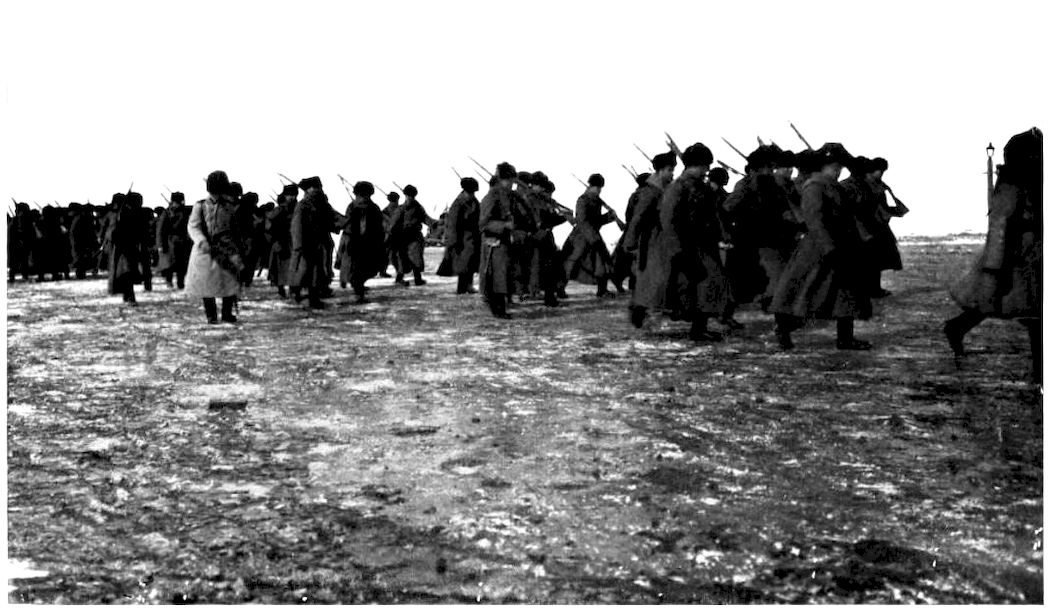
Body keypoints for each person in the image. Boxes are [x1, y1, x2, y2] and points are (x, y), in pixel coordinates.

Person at [945, 127, 1042, 380]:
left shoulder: (1035, 180)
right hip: (1020, 257)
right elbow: (1000, 224)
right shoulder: (1011, 183)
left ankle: (957, 327)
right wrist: (995, 267)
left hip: (1034, 252)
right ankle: (1041, 374)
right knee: (1032, 313)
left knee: (1017, 307)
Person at [769, 143, 872, 350]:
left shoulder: (834, 186)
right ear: (823, 166)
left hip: (841, 246)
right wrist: (828, 248)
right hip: (818, 250)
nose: (838, 171)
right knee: (804, 294)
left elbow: (849, 217)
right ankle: (784, 330)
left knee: (845, 295)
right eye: (834, 167)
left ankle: (845, 338)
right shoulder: (814, 186)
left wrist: (863, 238)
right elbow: (814, 220)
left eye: (839, 167)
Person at [624, 151, 678, 328]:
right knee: (651, 280)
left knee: (654, 280)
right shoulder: (650, 192)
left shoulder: (662, 190)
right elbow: (637, 218)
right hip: (651, 241)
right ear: (660, 171)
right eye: (669, 170)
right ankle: (639, 313)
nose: (672, 174)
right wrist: (630, 242)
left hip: (661, 241)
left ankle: (642, 312)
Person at [184, 171, 242, 323]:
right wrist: (201, 241)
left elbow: (235, 229)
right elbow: (193, 226)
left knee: (229, 281)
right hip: (205, 250)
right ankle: (211, 315)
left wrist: (236, 248)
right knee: (206, 283)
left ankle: (227, 314)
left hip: (226, 249)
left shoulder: (229, 206)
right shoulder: (200, 206)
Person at [562, 173, 622, 297]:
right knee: (572, 262)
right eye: (597, 187)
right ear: (591, 186)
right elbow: (582, 221)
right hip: (581, 236)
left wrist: (609, 217)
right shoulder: (583, 200)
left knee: (602, 261)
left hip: (593, 234)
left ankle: (602, 290)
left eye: (600, 188)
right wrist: (593, 238)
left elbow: (596, 221)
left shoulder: (596, 201)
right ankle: (559, 288)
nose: (599, 190)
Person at [289, 176, 342, 309]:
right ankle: (297, 294)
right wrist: (299, 245)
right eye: (315, 188)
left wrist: (343, 222)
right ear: (308, 190)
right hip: (306, 244)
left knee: (317, 273)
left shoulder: (323, 204)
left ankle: (314, 298)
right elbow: (297, 226)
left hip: (320, 243)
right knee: (305, 272)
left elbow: (333, 217)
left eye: (319, 187)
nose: (318, 190)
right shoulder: (303, 205)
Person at [479, 162, 519, 318]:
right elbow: (483, 224)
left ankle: (500, 309)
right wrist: (504, 225)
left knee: (502, 277)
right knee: (496, 278)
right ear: (504, 179)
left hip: (503, 242)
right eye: (511, 181)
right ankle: (498, 310)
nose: (512, 185)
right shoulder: (492, 197)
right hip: (493, 243)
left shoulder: (505, 195)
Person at [337, 181, 387, 303]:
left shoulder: (366, 207)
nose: (363, 198)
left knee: (364, 269)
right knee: (358, 270)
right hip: (359, 244)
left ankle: (358, 288)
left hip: (364, 243)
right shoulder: (359, 207)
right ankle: (358, 292)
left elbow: (378, 227)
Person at [437, 177, 481, 294]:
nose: (472, 195)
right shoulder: (458, 204)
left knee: (471, 263)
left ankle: (469, 285)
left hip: (472, 238)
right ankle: (461, 289)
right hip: (461, 240)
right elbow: (452, 224)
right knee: (463, 265)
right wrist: (453, 241)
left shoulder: (474, 202)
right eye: (470, 192)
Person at [611, 172, 651, 293]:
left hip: (631, 230)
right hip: (640, 231)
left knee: (626, 258)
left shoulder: (634, 195)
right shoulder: (645, 195)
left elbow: (628, 214)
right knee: (636, 257)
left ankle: (624, 282)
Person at [388, 185, 436, 286]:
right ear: (405, 195)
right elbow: (393, 223)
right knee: (402, 258)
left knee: (416, 257)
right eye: (409, 195)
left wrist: (434, 224)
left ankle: (418, 278)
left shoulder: (418, 208)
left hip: (415, 236)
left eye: (412, 196)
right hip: (402, 236)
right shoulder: (401, 209)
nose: (410, 198)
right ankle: (399, 278)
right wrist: (392, 234)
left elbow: (425, 218)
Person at [106, 192, 148, 305]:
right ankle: (128, 296)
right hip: (121, 249)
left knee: (126, 273)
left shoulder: (126, 214)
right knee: (125, 273)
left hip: (126, 249)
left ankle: (128, 296)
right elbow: (111, 233)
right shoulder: (118, 215)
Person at [266, 184, 298, 298]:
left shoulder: (298, 208)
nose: (292, 197)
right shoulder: (279, 210)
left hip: (293, 242)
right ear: (285, 196)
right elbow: (269, 226)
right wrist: (274, 241)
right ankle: (281, 289)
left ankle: (294, 289)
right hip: (280, 241)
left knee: (293, 267)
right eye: (289, 195)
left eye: (294, 195)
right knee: (279, 268)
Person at [156, 192, 192, 289]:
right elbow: (160, 230)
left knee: (182, 264)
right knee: (169, 264)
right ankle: (169, 281)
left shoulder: (185, 211)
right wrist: (160, 244)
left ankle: (181, 282)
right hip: (170, 241)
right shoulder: (167, 213)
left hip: (183, 241)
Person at [380, 192, 401, 279]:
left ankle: (384, 271)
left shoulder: (385, 211)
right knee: (391, 254)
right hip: (390, 235)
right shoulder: (387, 211)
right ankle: (385, 271)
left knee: (388, 255)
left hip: (390, 235)